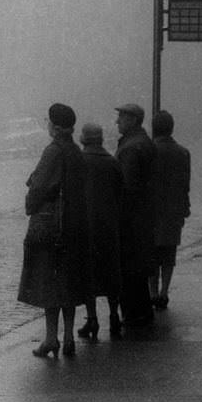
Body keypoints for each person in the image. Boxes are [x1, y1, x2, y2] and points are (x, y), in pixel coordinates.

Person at [17, 103, 89, 358]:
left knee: (50, 283)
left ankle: (51, 338)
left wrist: (31, 203)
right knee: (68, 282)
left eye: (49, 122)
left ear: (55, 127)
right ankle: (68, 336)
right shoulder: (76, 152)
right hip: (73, 226)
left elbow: (38, 189)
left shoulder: (53, 152)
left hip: (51, 228)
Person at [77, 122, 124, 340]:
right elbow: (120, 194)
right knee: (111, 273)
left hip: (86, 227)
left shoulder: (80, 162)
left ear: (84, 139)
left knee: (89, 275)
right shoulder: (112, 163)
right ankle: (114, 315)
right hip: (109, 226)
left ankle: (92, 319)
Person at [114, 102, 156, 327]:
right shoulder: (143, 143)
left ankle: (132, 314)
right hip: (143, 215)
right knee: (138, 268)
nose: (117, 121)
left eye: (121, 117)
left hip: (130, 218)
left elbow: (127, 186)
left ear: (132, 119)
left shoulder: (131, 147)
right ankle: (141, 310)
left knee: (128, 268)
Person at [148, 109, 191, 310]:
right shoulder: (182, 153)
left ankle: (153, 292)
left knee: (152, 252)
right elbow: (185, 184)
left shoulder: (149, 151)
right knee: (168, 253)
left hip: (152, 209)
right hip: (173, 210)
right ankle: (164, 290)